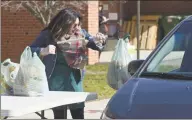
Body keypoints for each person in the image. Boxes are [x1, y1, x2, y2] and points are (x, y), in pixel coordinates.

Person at [30, 8, 107, 119]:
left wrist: (100, 40)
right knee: (60, 116)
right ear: (65, 23)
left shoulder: (80, 33)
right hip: (56, 81)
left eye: (78, 24)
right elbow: (29, 49)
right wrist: (43, 50)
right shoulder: (48, 35)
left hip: (74, 81)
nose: (77, 28)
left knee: (78, 115)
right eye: (74, 25)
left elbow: (94, 43)